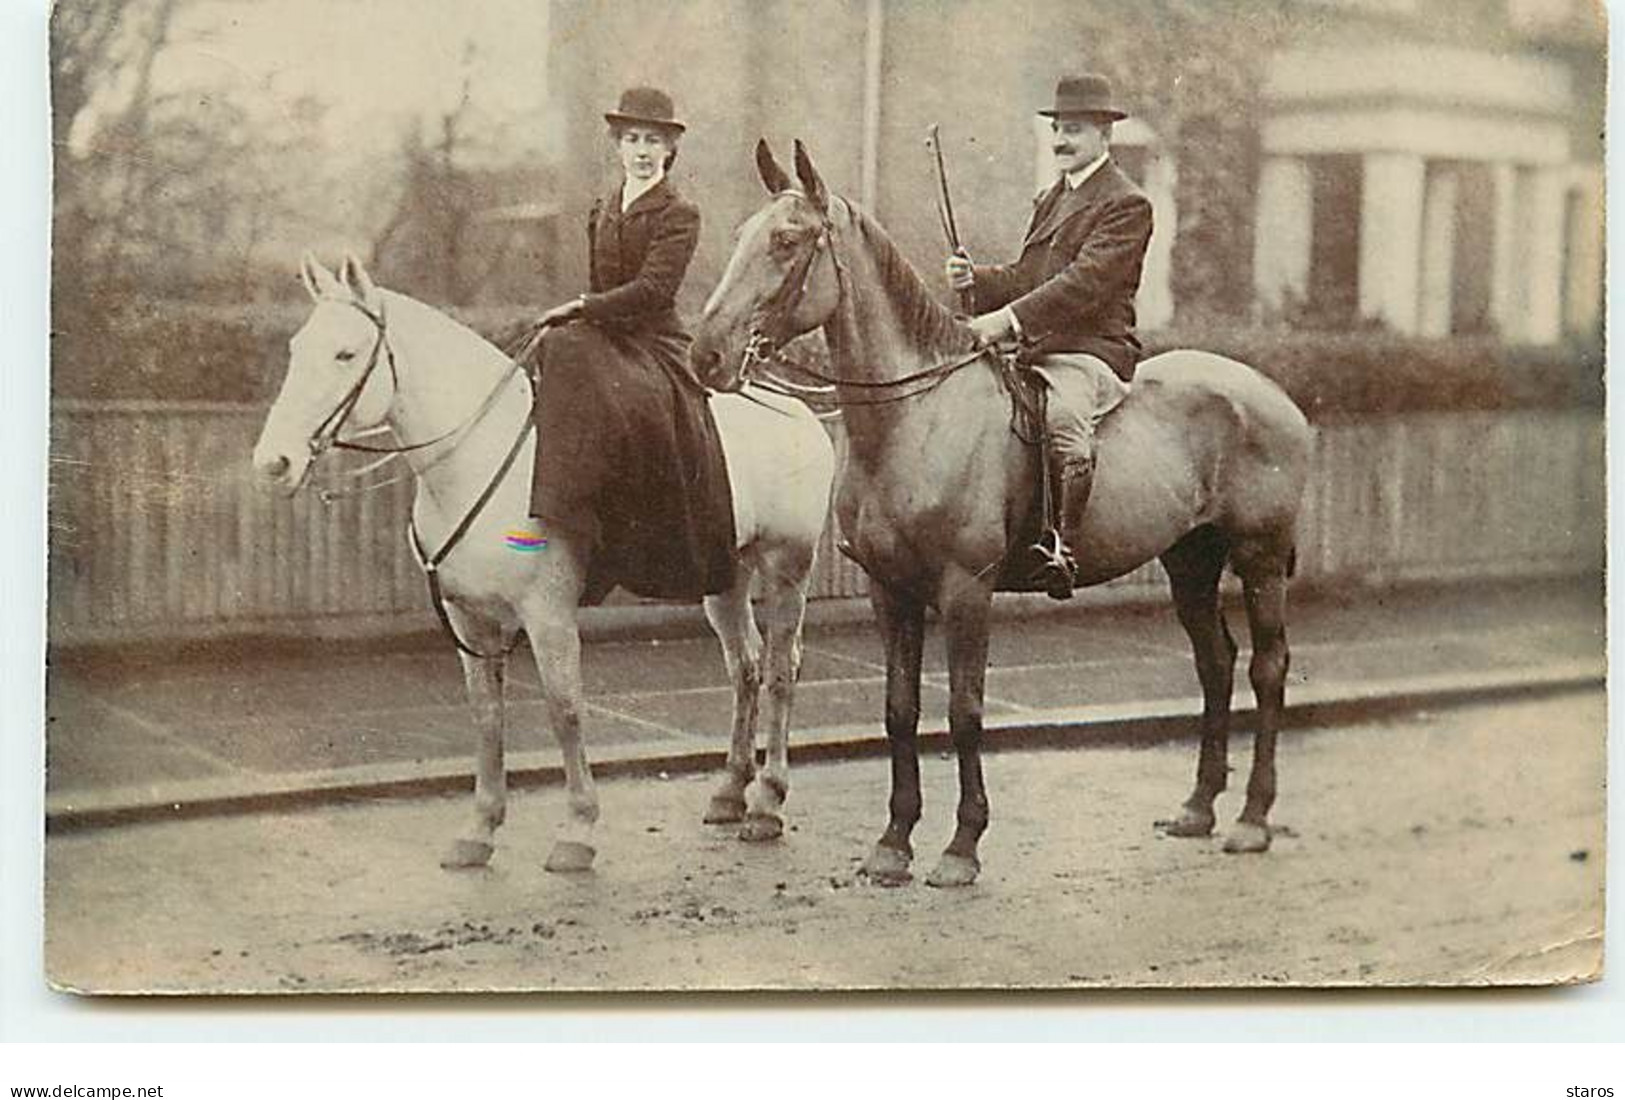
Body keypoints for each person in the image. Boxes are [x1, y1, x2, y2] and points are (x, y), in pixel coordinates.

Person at [945, 73, 1152, 600]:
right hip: (1039, 348)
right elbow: (1027, 276)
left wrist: (1005, 320)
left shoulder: (1126, 204)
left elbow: (1082, 285)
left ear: (1105, 135)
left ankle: (1062, 546)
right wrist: (980, 280)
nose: (1061, 139)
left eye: (1075, 129)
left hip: (1091, 353)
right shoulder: (1052, 197)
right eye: (1058, 128)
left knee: (1063, 420)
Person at [528, 86, 733, 602]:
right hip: (606, 332)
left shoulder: (678, 212)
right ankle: (557, 516)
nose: (641, 151)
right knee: (552, 347)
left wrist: (581, 308)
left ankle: (626, 533)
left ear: (670, 149)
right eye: (632, 139)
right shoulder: (603, 206)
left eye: (653, 141)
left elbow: (653, 290)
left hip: (654, 339)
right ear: (618, 146)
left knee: (625, 393)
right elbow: (602, 283)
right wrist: (581, 317)